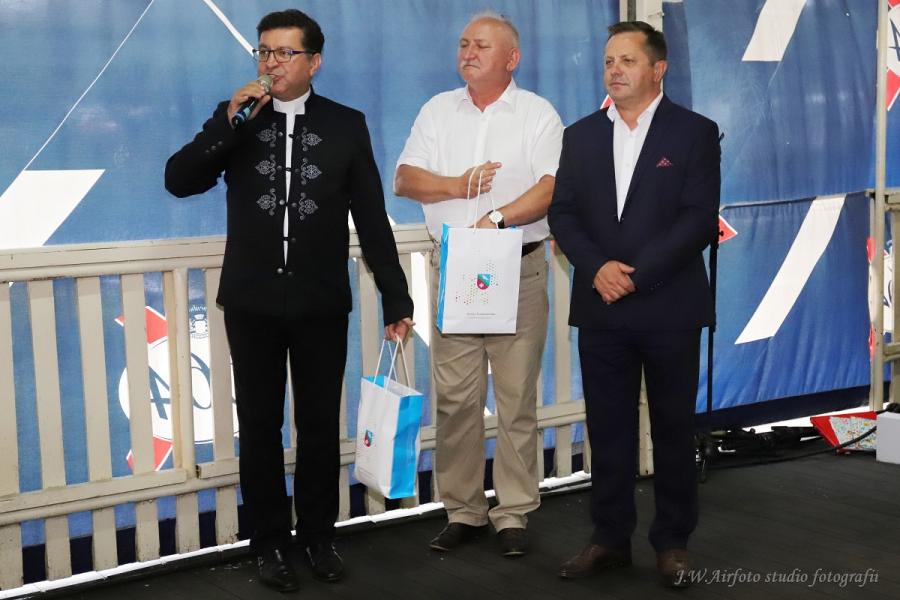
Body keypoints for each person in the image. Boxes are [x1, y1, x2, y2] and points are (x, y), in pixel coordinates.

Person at [165, 9, 413, 594]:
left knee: (320, 424)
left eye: (284, 53)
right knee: (259, 425)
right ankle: (269, 541)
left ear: (314, 62)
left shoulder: (345, 124)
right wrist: (228, 123)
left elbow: (371, 216)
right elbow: (179, 179)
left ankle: (319, 536)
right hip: (250, 301)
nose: (271, 63)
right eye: (263, 52)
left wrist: (396, 295)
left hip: (320, 300)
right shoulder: (238, 118)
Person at [548, 21, 720, 589]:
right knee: (608, 429)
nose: (614, 70)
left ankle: (672, 543)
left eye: (626, 60)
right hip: (601, 306)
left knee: (672, 428)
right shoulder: (580, 135)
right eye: (608, 61)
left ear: (658, 68)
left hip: (668, 306)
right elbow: (562, 213)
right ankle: (609, 538)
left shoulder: (694, 132)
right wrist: (597, 268)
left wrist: (636, 277)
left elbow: (698, 219)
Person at [394, 11, 563, 558]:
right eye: (464, 44)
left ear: (512, 58)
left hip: (519, 264)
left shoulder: (537, 113)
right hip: (455, 268)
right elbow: (405, 179)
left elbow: (552, 186)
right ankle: (463, 510)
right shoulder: (437, 110)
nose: (468, 53)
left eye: (482, 46)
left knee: (516, 399)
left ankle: (513, 512)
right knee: (456, 400)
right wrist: (459, 185)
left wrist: (497, 217)